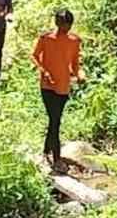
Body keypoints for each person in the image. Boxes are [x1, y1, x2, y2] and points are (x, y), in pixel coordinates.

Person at [31, 9, 83, 172]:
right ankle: (57, 158)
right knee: (55, 121)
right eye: (62, 25)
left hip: (63, 87)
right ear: (56, 23)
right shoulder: (46, 38)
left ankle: (46, 152)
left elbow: (75, 63)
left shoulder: (74, 41)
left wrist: (80, 74)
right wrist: (43, 71)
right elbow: (34, 55)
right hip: (47, 86)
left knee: (54, 121)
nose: (64, 29)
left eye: (67, 26)